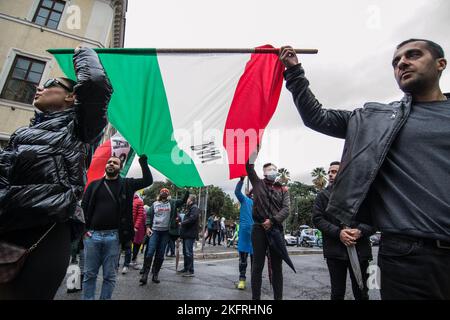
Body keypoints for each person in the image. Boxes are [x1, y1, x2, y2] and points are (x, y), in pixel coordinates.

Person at [280, 39, 450, 299]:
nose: (402, 62)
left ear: (441, 64)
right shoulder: (374, 120)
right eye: (396, 61)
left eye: (413, 55)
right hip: (405, 257)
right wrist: (294, 71)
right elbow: (317, 117)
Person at [0, 46, 112, 300]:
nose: (39, 87)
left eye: (50, 83)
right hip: (7, 228)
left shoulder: (80, 129)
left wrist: (83, 52)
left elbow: (95, 85)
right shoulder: (20, 135)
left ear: (72, 97)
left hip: (46, 234)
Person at [81, 155, 152, 299]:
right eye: (109, 162)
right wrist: (84, 231)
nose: (111, 164)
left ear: (120, 168)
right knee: (89, 275)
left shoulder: (127, 184)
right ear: (106, 166)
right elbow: (82, 209)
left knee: (109, 276)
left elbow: (147, 180)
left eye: (115, 162)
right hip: (92, 236)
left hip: (113, 237)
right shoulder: (93, 185)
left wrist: (143, 162)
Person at [313, 161, 374, 300]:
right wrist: (338, 233)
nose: (330, 174)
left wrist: (360, 231)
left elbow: (373, 221)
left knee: (362, 291)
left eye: (334, 171)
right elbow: (317, 219)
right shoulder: (322, 196)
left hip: (360, 251)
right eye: (329, 172)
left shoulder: (361, 193)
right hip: (335, 252)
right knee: (337, 293)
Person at [246, 152, 290, 300]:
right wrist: (254, 151)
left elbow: (286, 209)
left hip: (276, 229)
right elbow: (249, 166)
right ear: (264, 173)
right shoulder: (257, 183)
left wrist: (272, 221)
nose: (272, 171)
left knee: (277, 267)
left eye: (274, 169)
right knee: (257, 267)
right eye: (269, 169)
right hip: (258, 229)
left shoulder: (283, 189)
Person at [139, 188, 189, 285]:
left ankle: (155, 274)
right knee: (149, 252)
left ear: (168, 195)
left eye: (166, 192)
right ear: (160, 194)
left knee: (160, 254)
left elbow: (183, 201)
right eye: (162, 192)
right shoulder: (154, 204)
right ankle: (145, 274)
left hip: (165, 233)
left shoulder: (172, 203)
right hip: (154, 231)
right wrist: (148, 227)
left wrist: (186, 189)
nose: (164, 193)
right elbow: (149, 216)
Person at [234, 177, 254, 290]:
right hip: (256, 233)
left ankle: (242, 282)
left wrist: (241, 180)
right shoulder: (260, 204)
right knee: (254, 260)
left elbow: (237, 192)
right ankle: (255, 282)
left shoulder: (245, 200)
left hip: (245, 232)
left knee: (243, 259)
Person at [177, 194, 200, 277]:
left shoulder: (194, 208)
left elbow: (192, 219)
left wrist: (182, 223)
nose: (186, 200)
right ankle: (186, 268)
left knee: (188, 252)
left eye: (188, 199)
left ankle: (190, 270)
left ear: (191, 200)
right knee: (185, 252)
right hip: (186, 234)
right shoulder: (190, 208)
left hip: (190, 234)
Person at [129, 193, 146, 269]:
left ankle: (126, 262)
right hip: (139, 228)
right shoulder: (139, 201)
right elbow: (142, 216)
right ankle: (133, 260)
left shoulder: (127, 200)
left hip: (128, 227)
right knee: (137, 244)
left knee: (128, 244)